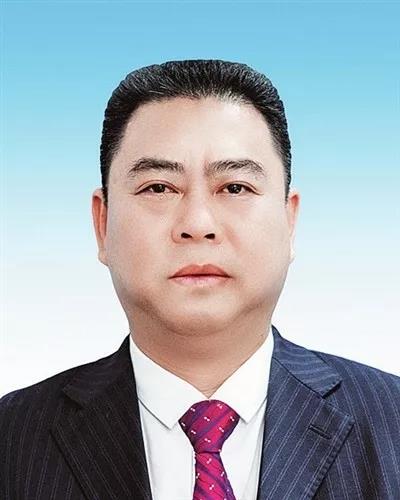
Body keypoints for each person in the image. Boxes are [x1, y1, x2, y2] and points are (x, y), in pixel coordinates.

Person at [1, 59, 399, 500]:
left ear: (289, 221)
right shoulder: (12, 438)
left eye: (234, 188)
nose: (197, 224)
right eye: (158, 188)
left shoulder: (392, 423)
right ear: (103, 223)